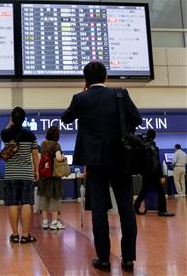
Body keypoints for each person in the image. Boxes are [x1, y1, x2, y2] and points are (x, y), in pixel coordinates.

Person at [61, 61, 142, 273]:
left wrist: (82, 93)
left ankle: (104, 259)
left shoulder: (81, 98)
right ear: (106, 77)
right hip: (120, 159)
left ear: (86, 80)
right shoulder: (120, 94)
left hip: (94, 160)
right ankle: (128, 259)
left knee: (99, 209)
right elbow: (137, 119)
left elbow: (66, 118)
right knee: (126, 207)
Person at [1, 107, 39, 244]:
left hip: (11, 174)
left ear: (12, 118)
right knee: (26, 202)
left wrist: (10, 124)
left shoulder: (5, 134)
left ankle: (15, 234)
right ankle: (26, 234)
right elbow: (35, 155)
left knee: (13, 203)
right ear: (24, 119)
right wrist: (36, 171)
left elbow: (5, 132)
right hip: (26, 174)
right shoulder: (30, 135)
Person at [133, 130, 174, 217]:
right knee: (161, 193)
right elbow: (156, 163)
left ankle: (135, 208)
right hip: (153, 174)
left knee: (143, 191)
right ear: (154, 136)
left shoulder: (142, 146)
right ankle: (162, 211)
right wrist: (161, 175)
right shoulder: (153, 147)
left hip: (145, 173)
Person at [37, 126, 66, 230]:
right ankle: (54, 222)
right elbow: (58, 157)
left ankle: (45, 222)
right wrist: (62, 157)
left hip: (43, 176)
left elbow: (39, 159)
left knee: (44, 198)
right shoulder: (56, 145)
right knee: (55, 198)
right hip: (54, 177)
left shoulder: (42, 144)